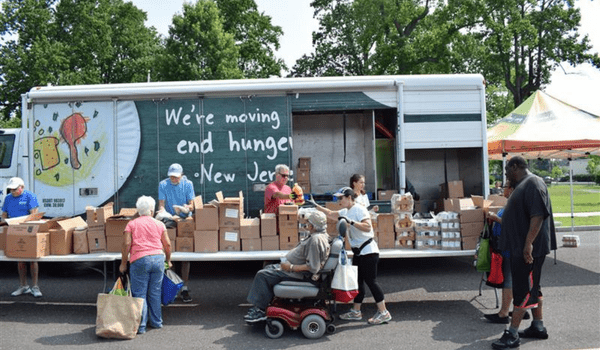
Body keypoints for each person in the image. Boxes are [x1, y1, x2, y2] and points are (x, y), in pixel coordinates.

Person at [492, 156, 557, 350]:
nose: (506, 175)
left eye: (506, 171)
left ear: (515, 167)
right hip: (522, 247)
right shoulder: (524, 184)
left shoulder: (534, 184)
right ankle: (538, 326)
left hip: (528, 250)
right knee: (532, 287)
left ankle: (512, 333)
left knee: (523, 288)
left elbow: (537, 216)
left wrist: (528, 244)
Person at [311, 187, 392, 325]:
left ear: (349, 198)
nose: (338, 201)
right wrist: (316, 206)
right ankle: (356, 311)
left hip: (368, 251)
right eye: (337, 198)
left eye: (340, 198)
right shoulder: (345, 211)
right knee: (358, 282)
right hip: (358, 252)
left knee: (371, 282)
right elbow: (331, 213)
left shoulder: (359, 209)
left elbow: (367, 227)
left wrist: (351, 222)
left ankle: (384, 312)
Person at [244, 210, 330, 323]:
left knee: (263, 275)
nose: (306, 224)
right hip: (295, 270)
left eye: (308, 222)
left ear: (313, 226)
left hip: (299, 275)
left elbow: (313, 267)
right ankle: (265, 303)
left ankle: (259, 311)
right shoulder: (318, 236)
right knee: (268, 267)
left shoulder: (316, 240)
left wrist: (290, 267)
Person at [119, 195, 172, 334]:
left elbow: (126, 244)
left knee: (140, 293)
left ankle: (141, 326)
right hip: (158, 258)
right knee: (155, 292)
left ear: (138, 210)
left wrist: (123, 263)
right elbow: (167, 244)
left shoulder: (131, 224)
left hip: (139, 260)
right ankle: (156, 322)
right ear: (151, 210)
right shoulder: (159, 224)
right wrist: (168, 259)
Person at [483, 180, 530, 324]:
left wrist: (494, 218)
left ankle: (503, 313)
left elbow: (511, 224)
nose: (502, 190)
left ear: (510, 189)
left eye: (504, 187)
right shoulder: (515, 202)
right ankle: (521, 308)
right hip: (510, 246)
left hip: (511, 248)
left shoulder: (516, 203)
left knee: (508, 280)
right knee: (516, 280)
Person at [157, 163, 195, 303]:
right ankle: (168, 288)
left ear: (181, 175)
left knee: (186, 254)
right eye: (172, 177)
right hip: (170, 220)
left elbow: (192, 204)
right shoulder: (163, 184)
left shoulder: (188, 184)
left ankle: (184, 288)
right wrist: (165, 213)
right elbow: (161, 204)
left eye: (176, 177)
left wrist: (185, 208)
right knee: (166, 254)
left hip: (184, 219)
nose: (174, 179)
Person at [2, 177, 42, 298]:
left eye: (15, 189)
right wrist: (6, 222)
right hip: (14, 231)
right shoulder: (8, 199)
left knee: (33, 260)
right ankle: (23, 286)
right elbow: (4, 215)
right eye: (11, 189)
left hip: (29, 231)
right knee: (20, 260)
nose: (13, 191)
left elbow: (34, 215)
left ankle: (35, 286)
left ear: (22, 187)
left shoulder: (30, 196)